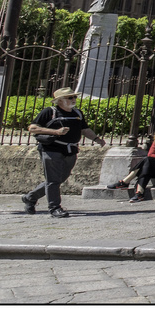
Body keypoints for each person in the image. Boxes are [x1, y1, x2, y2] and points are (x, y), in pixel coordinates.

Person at [22, 87, 104, 218]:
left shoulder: (77, 113)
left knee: (59, 179)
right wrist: (55, 132)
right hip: (51, 150)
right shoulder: (50, 112)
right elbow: (32, 128)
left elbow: (85, 129)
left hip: (70, 150)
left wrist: (97, 139)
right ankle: (54, 208)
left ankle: (30, 197)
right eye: (70, 97)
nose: (73, 100)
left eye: (74, 97)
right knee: (53, 180)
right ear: (59, 100)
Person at [110, 120, 155, 201]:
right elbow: (150, 154)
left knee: (146, 162)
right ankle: (139, 193)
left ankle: (125, 182)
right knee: (146, 166)